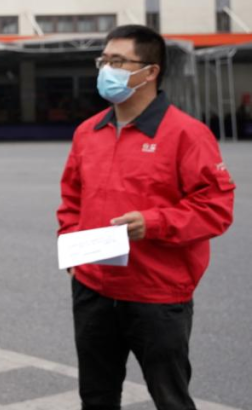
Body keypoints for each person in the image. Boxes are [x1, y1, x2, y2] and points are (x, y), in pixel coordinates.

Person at [58, 25, 235, 410]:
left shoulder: (188, 134)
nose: (106, 69)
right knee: (97, 396)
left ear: (150, 71)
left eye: (118, 61)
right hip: (93, 289)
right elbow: (71, 198)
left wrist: (153, 223)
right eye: (103, 60)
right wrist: (73, 255)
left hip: (157, 293)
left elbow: (216, 208)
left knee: (169, 398)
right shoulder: (88, 132)